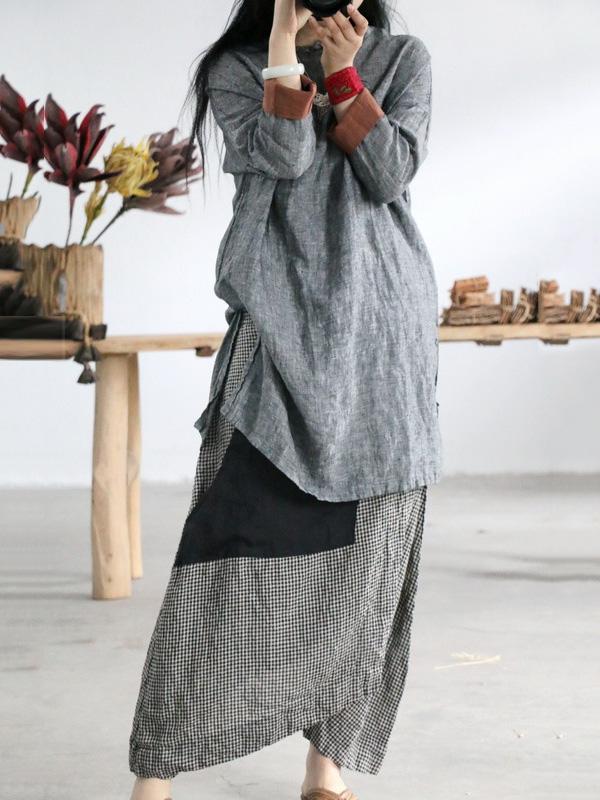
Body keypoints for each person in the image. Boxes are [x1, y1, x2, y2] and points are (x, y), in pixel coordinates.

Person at [128, 0, 442, 797]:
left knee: (369, 559)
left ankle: (325, 768)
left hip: (381, 332)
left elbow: (390, 173)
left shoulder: (404, 60)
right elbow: (283, 156)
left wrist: (343, 76)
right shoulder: (236, 69)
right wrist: (280, 53)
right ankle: (155, 775)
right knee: (221, 548)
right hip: (278, 319)